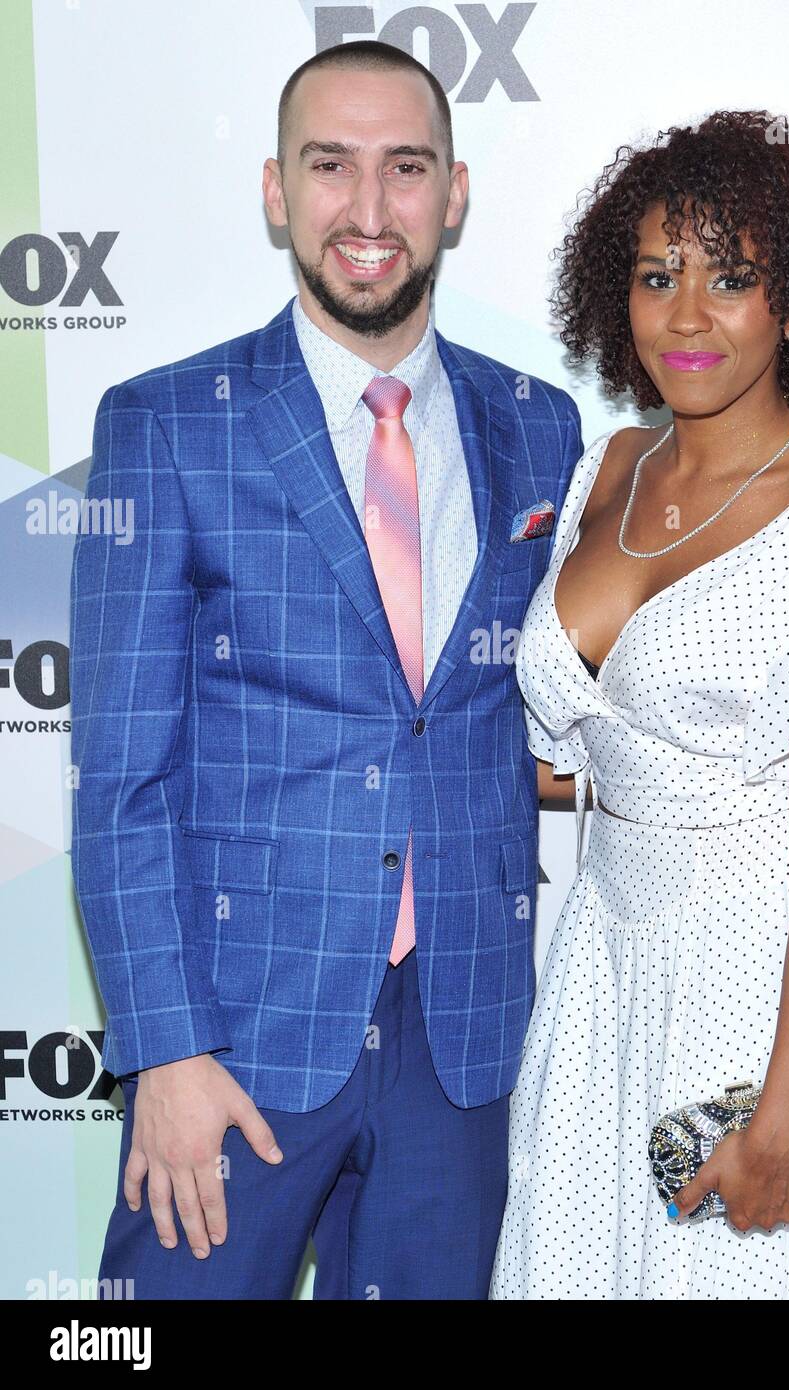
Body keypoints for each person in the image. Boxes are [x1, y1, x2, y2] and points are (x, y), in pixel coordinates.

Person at [69, 40, 581, 1301]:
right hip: (238, 1036)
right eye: (330, 166)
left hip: (462, 1035)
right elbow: (120, 779)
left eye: (405, 168)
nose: (367, 209)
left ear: (452, 195)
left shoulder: (539, 424)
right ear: (274, 191)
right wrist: (165, 1053)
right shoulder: (168, 423)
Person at [490, 111, 789, 1300]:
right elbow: (586, 749)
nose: (687, 314)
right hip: (603, 963)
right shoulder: (610, 466)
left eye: (732, 278)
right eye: (658, 276)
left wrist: (784, 1117)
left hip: (768, 983)